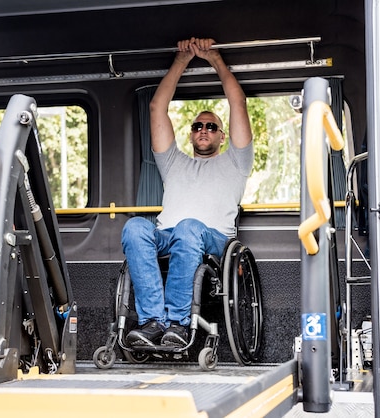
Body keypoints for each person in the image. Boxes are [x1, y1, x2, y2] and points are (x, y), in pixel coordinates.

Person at [122, 37, 254, 348]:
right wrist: (182, 59)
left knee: (189, 227)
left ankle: (178, 324)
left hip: (213, 239)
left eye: (211, 126)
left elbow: (238, 103)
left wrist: (214, 58)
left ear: (222, 135)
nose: (203, 130)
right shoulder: (173, 163)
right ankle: (153, 322)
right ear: (191, 133)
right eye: (197, 126)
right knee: (135, 226)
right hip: (169, 235)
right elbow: (157, 107)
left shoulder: (236, 162)